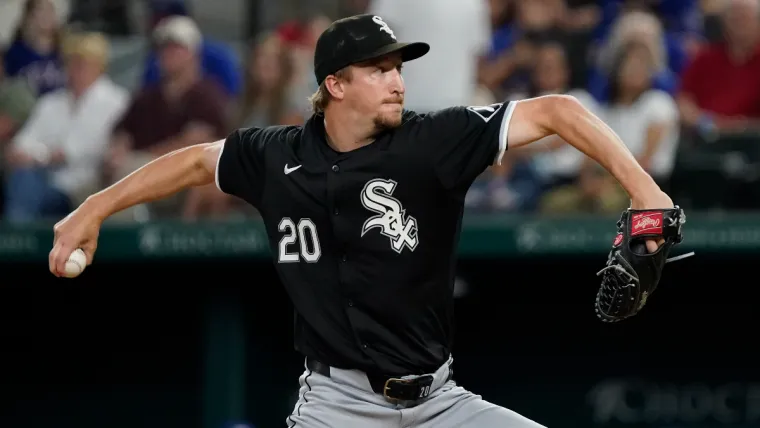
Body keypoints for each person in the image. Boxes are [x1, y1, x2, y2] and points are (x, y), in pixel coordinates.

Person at [49, 14, 673, 428]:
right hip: (335, 405)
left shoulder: (431, 141)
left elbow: (560, 111)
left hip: (439, 402)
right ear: (335, 84)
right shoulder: (276, 154)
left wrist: (646, 191)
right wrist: (92, 208)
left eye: (399, 67)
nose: (397, 80)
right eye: (380, 69)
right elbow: (192, 163)